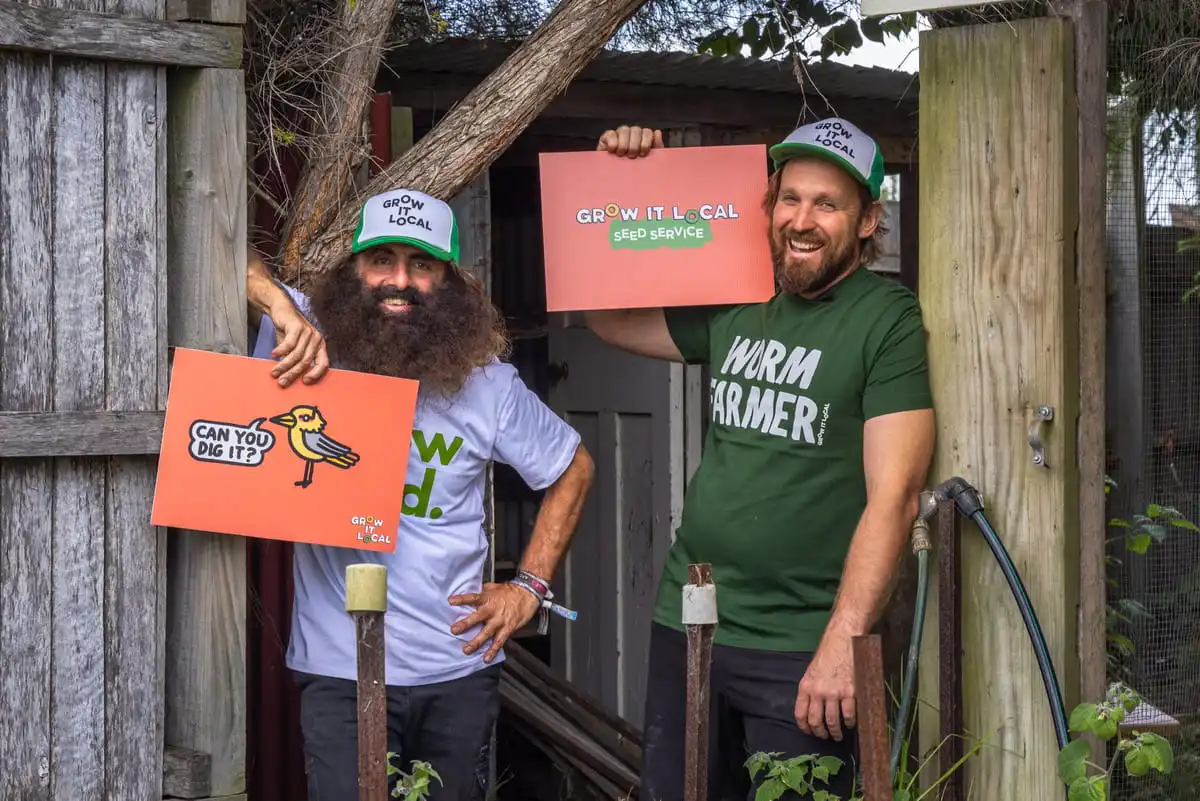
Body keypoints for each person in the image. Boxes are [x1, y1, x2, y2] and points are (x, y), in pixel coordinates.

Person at [587, 119, 935, 799]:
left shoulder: (885, 319)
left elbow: (895, 495)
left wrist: (843, 642)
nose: (802, 221)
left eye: (827, 205)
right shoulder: (740, 295)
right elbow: (608, 320)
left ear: (867, 220)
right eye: (790, 199)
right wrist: (624, 180)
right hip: (690, 619)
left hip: (803, 643)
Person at [246, 187, 595, 801]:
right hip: (341, 668)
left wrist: (529, 588)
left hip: (457, 671)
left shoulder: (487, 386)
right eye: (382, 260)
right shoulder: (305, 345)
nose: (398, 281)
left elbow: (573, 467)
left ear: (451, 282)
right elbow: (225, 256)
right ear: (354, 270)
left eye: (422, 265)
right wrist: (278, 303)